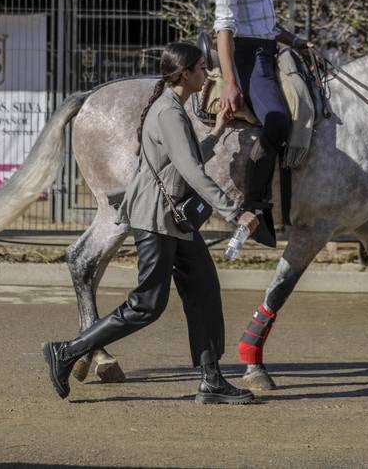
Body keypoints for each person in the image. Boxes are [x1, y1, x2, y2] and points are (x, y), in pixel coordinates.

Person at [42, 42, 260, 405]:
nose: (208, 76)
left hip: (175, 217)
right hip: (157, 218)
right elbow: (191, 170)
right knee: (147, 305)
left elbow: (183, 160)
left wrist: (218, 132)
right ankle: (65, 352)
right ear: (186, 73)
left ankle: (211, 380)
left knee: (204, 290)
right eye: (202, 69)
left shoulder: (173, 109)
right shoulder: (169, 113)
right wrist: (235, 211)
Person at [209, 0, 312, 247]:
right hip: (247, 58)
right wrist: (230, 82)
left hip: (270, 51)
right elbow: (224, 29)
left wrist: (297, 41)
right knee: (278, 122)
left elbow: (266, 24)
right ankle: (254, 208)